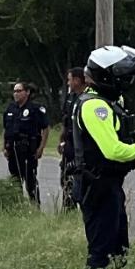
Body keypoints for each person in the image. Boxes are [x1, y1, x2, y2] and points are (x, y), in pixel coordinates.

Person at [73, 45, 135, 269]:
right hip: (97, 185)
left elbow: (118, 138)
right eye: (123, 77)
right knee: (101, 249)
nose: (127, 82)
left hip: (108, 184)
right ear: (106, 77)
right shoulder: (95, 106)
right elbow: (113, 151)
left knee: (119, 246)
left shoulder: (107, 102)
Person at [2, 81, 50, 204]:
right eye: (14, 91)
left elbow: (45, 128)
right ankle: (17, 206)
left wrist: (41, 148)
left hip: (28, 150)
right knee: (15, 181)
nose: (16, 94)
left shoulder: (35, 109)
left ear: (27, 92)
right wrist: (4, 147)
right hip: (13, 150)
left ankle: (35, 206)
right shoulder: (10, 108)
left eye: (19, 91)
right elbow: (5, 129)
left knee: (30, 181)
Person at [57, 67, 87, 210]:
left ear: (77, 80)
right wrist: (61, 141)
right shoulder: (70, 97)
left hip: (81, 145)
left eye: (69, 80)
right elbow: (66, 120)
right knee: (66, 176)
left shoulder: (87, 99)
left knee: (80, 178)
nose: (68, 83)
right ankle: (68, 208)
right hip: (69, 143)